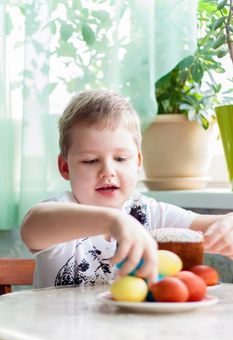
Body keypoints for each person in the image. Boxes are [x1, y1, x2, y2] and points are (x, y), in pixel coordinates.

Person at [21, 89, 233, 289]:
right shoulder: (62, 210)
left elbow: (210, 227)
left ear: (138, 161)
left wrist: (228, 226)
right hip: (62, 328)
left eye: (121, 158)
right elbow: (32, 226)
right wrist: (113, 221)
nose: (108, 171)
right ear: (65, 167)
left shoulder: (149, 213)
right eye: (90, 160)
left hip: (135, 327)